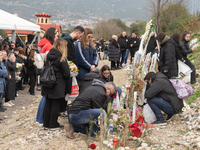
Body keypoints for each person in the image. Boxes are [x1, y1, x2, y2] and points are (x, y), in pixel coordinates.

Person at [42, 39, 70, 129]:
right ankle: (53, 124)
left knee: (48, 103)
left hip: (47, 82)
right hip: (58, 84)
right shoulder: (61, 58)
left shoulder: (47, 56)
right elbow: (67, 74)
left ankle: (46, 123)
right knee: (55, 104)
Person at [60, 26, 85, 117]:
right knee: (66, 90)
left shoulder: (66, 40)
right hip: (67, 70)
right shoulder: (68, 41)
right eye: (80, 36)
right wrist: (74, 68)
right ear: (77, 33)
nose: (80, 38)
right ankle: (62, 110)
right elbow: (69, 57)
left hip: (67, 69)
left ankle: (62, 109)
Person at [36, 27, 58, 125]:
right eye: (56, 35)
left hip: (43, 71)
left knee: (44, 96)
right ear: (52, 35)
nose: (57, 37)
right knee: (45, 97)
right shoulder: (49, 46)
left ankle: (39, 118)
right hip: (48, 73)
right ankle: (41, 119)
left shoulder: (43, 44)